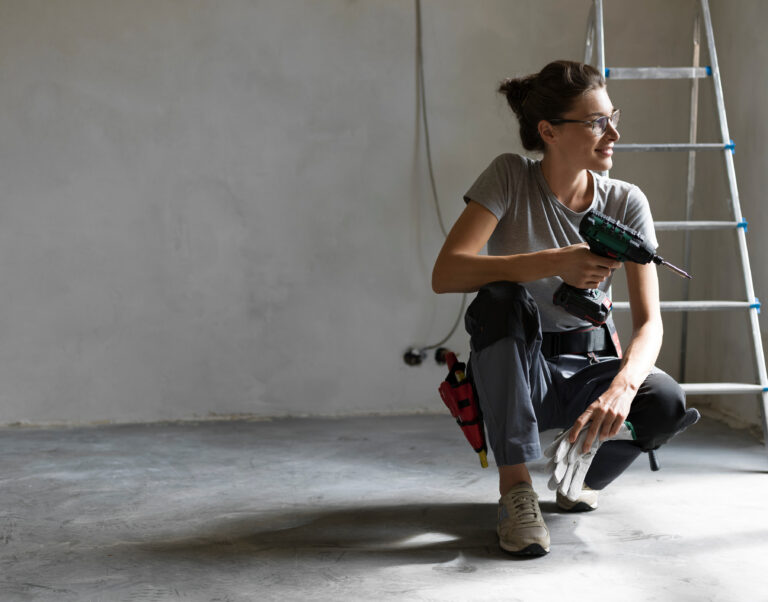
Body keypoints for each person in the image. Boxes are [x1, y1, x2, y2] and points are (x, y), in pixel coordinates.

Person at [432, 60, 698, 557]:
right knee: (499, 297)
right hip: (518, 369)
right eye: (597, 121)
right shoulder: (510, 177)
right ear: (549, 132)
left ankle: (580, 479)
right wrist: (557, 261)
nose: (613, 132)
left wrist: (621, 387)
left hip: (591, 369)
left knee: (663, 400)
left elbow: (649, 323)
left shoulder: (626, 201)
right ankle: (515, 492)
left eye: (612, 116)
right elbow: (445, 274)